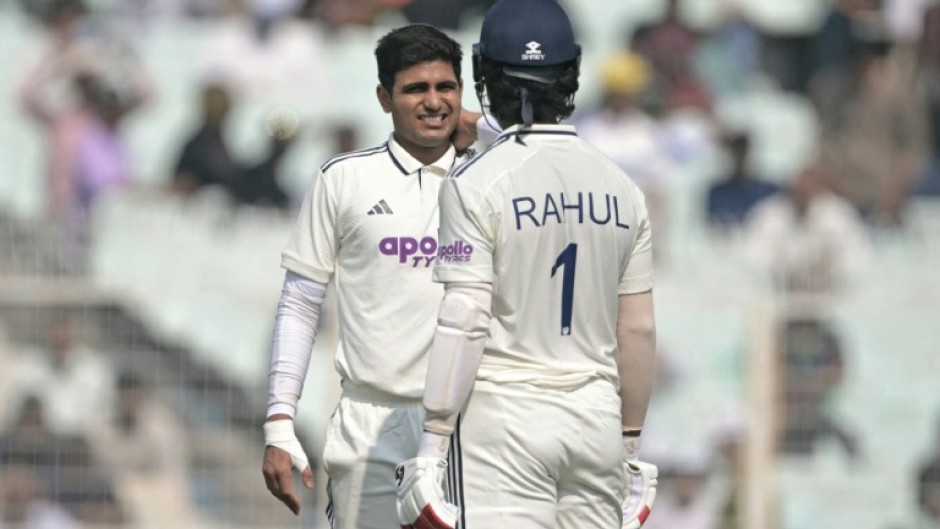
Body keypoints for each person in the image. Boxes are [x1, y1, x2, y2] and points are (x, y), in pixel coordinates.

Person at [395, 1, 659, 528]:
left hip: (504, 422)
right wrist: (628, 444)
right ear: (573, 75)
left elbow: (465, 316)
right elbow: (639, 328)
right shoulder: (624, 190)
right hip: (596, 422)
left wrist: (432, 442)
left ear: (484, 75)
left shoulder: (475, 184)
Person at [259, 23, 472, 529]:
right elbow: (299, 303)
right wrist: (279, 420)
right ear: (384, 98)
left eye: (446, 87)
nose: (434, 102)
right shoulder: (344, 179)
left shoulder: (493, 177)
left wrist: (482, 130)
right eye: (415, 89)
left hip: (472, 426)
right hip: (370, 421)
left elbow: (550, 157)